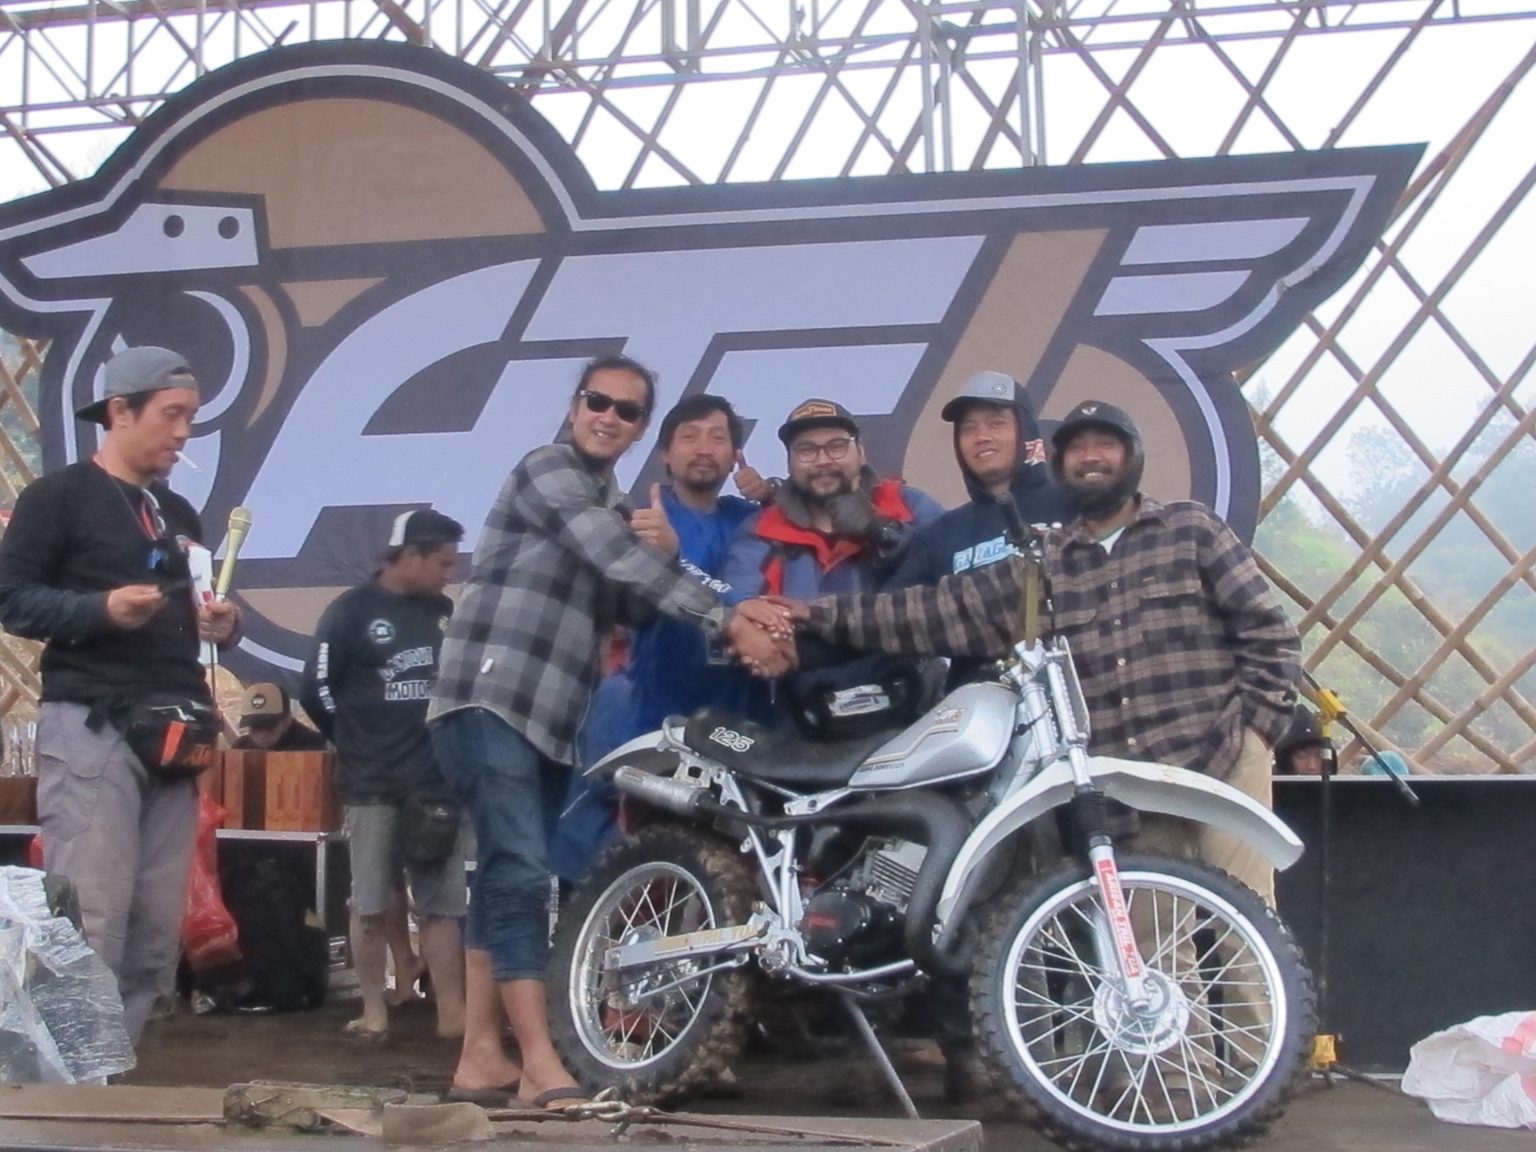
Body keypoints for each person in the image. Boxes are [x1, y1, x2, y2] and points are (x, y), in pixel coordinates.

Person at [754, 399, 1300, 902]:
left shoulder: (1190, 528)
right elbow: (931, 610)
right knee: (1152, 951)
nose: (1091, 458)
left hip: (1223, 756)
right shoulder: (1043, 564)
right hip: (1131, 783)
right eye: (1078, 449)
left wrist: (1255, 731)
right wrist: (813, 613)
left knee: (1249, 926)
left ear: (1133, 456)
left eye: (1105, 445)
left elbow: (1269, 632)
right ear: (1059, 463)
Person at [427, 355, 789, 1108]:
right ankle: (539, 1063)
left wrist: (669, 561)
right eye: (600, 402)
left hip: (553, 717)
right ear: (575, 406)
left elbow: (630, 602)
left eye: (628, 410)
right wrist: (727, 617)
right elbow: (614, 557)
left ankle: (479, 1057)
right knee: (522, 873)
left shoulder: (619, 507)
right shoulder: (548, 469)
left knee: (503, 873)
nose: (609, 417)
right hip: (490, 697)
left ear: (638, 429)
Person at [0, 345, 241, 1045]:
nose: (183, 434)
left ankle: (119, 1068)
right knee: (90, 916)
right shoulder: (59, 498)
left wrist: (223, 625)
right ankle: (67, 1080)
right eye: (172, 415)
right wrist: (99, 610)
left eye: (190, 418)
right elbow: (10, 599)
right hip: (94, 724)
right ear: (120, 411)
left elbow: (199, 613)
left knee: (156, 928)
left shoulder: (177, 512)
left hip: (174, 730)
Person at [551, 393, 762, 884]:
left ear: (735, 455)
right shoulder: (641, 518)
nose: (704, 448)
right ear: (666, 453)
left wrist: (772, 491)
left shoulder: (753, 519)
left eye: (718, 438)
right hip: (660, 726)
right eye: (689, 437)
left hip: (746, 728)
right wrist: (660, 553)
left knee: (735, 878)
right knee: (654, 869)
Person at [300, 508, 469, 1043]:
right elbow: (315, 689)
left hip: (434, 779)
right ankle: (373, 1010)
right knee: (370, 901)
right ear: (410, 556)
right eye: (442, 563)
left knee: (442, 904)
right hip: (372, 782)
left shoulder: (444, 612)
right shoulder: (350, 612)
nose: (449, 574)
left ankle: (453, 1013)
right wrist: (353, 738)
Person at [722, 398, 945, 733]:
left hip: (917, 715)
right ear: (789, 461)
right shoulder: (759, 531)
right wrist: (757, 634)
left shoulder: (907, 503)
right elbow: (741, 610)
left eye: (837, 446)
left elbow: (956, 573)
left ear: (861, 452)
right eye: (806, 450)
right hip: (808, 727)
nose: (823, 460)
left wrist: (884, 531)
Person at [232, 682, 328, 751]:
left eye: (269, 727)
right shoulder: (241, 747)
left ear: (287, 719)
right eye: (255, 727)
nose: (262, 735)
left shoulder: (313, 747)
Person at [1273, 706, 1328, 776]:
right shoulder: (1265, 781)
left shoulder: (1335, 782)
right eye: (1302, 756)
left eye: (1319, 756)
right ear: (1287, 760)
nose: (1312, 766)